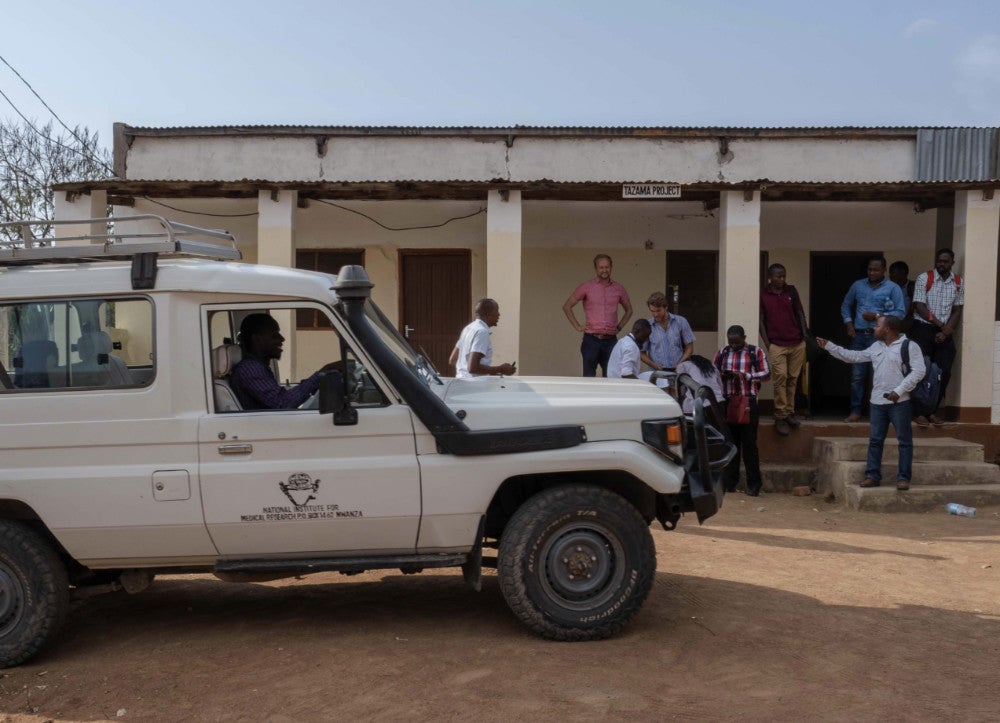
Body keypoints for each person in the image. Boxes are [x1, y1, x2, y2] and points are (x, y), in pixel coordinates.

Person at [816, 315, 924, 491]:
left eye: (877, 326)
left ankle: (903, 478)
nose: (874, 328)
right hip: (877, 402)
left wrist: (899, 391)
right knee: (875, 441)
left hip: (900, 402)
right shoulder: (876, 346)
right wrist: (830, 346)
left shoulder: (909, 346)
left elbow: (919, 371)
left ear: (887, 329)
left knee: (904, 441)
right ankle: (872, 475)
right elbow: (853, 356)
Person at [839, 255, 906, 423]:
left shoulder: (893, 288)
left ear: (884, 269)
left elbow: (900, 313)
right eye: (870, 269)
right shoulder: (858, 285)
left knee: (881, 375)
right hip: (860, 336)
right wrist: (848, 324)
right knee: (857, 376)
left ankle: (880, 412)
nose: (872, 273)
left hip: (881, 338)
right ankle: (856, 411)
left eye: (876, 270)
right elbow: (845, 305)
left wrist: (877, 316)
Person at [229, 313, 338, 410]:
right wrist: (320, 375)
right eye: (274, 335)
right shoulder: (250, 369)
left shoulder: (256, 366)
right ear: (257, 339)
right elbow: (283, 403)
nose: (282, 339)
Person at [715, 326, 771, 497]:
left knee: (749, 445)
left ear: (744, 338)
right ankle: (729, 483)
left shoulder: (756, 352)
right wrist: (723, 375)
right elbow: (713, 373)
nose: (733, 345)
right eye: (730, 341)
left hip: (748, 403)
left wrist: (745, 376)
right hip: (728, 402)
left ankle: (754, 484)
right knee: (730, 445)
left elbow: (767, 374)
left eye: (737, 342)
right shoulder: (723, 352)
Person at [911, 248, 964, 426]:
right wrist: (942, 326)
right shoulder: (924, 278)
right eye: (939, 261)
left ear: (952, 263)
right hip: (923, 329)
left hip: (944, 332)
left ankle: (932, 411)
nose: (941, 264)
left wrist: (947, 330)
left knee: (944, 372)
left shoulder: (958, 282)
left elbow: (957, 310)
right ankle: (919, 412)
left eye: (945, 261)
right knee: (921, 370)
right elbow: (919, 306)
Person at [563, 254, 633, 377]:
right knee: (589, 377)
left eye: (607, 267)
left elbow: (629, 310)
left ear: (611, 267)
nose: (604, 270)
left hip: (611, 341)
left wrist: (619, 327)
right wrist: (578, 326)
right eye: (601, 267)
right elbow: (567, 306)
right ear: (596, 268)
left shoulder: (618, 288)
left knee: (612, 377)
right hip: (591, 340)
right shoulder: (586, 287)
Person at [759, 263, 808, 436]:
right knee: (780, 377)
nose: (782, 279)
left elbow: (800, 313)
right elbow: (760, 319)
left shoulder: (791, 291)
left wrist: (804, 336)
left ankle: (789, 412)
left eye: (784, 276)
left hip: (796, 342)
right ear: (770, 277)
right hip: (776, 344)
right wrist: (767, 343)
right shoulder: (763, 294)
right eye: (778, 276)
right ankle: (780, 415)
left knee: (793, 379)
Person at [449, 298, 517, 379]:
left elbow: (453, 360)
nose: (499, 315)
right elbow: (473, 368)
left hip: (461, 382)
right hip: (475, 386)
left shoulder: (468, 328)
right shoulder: (482, 332)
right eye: (497, 311)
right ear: (488, 314)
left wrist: (490, 373)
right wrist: (501, 369)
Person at [639, 291, 695, 373]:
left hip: (679, 372)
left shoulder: (681, 322)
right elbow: (641, 352)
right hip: (656, 374)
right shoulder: (647, 326)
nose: (655, 314)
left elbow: (689, 347)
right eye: (652, 311)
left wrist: (680, 364)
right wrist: (654, 366)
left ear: (666, 307)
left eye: (658, 311)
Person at [889, 260, 915, 331]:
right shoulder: (890, 288)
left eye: (892, 272)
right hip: (893, 324)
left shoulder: (912, 287)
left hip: (909, 326)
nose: (890, 275)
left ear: (903, 272)